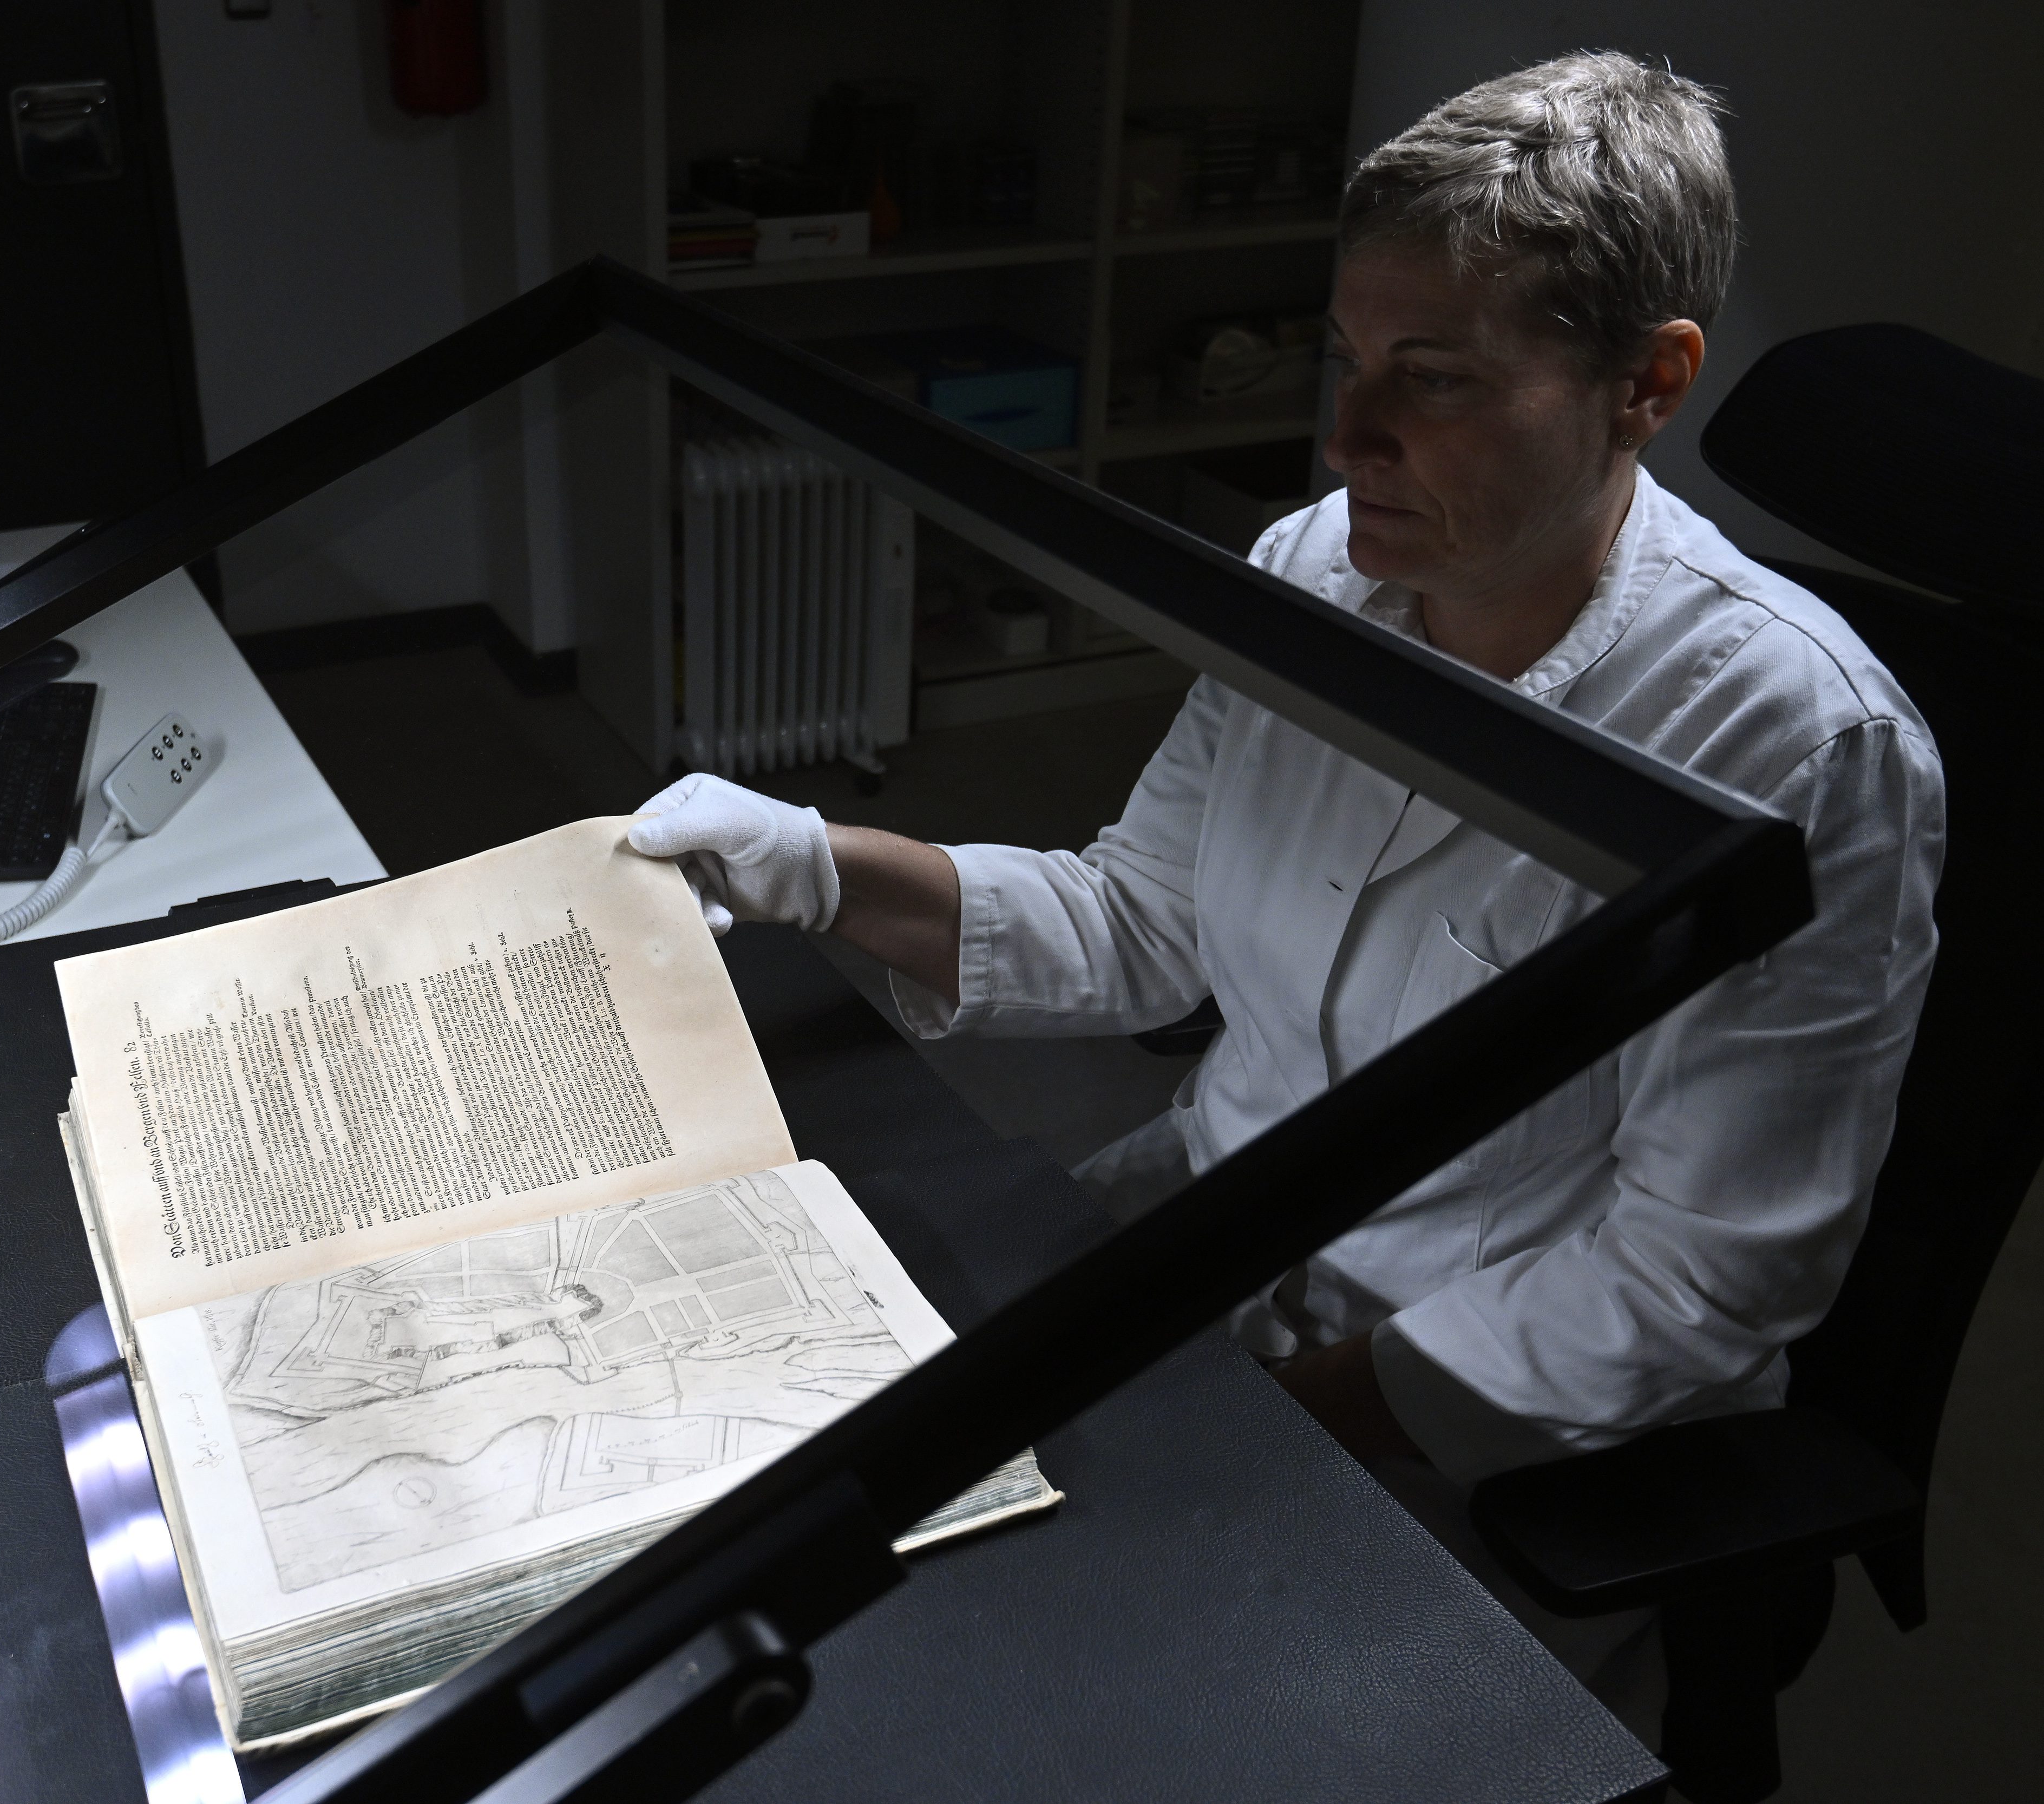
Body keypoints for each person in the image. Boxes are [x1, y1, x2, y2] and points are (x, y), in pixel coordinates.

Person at [626, 51, 1944, 1714]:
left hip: (1479, 1444)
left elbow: (1694, 1286)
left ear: (1645, 385)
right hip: (1201, 1275)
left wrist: (1244, 1433)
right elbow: (1144, 920)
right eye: (1346, 358)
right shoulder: (1316, 569)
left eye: (1432, 381)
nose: (1347, 437)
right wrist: (821, 870)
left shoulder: (1796, 748)